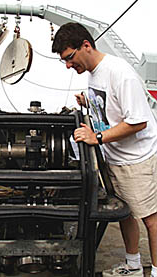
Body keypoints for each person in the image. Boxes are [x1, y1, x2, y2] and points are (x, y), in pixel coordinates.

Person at [52, 22, 157, 277]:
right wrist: (88, 101)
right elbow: (110, 104)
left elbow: (138, 120)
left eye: (69, 58)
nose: (68, 65)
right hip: (115, 157)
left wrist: (96, 137)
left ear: (85, 45)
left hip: (136, 160)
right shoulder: (93, 72)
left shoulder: (121, 73)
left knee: (150, 219)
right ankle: (133, 266)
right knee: (124, 213)